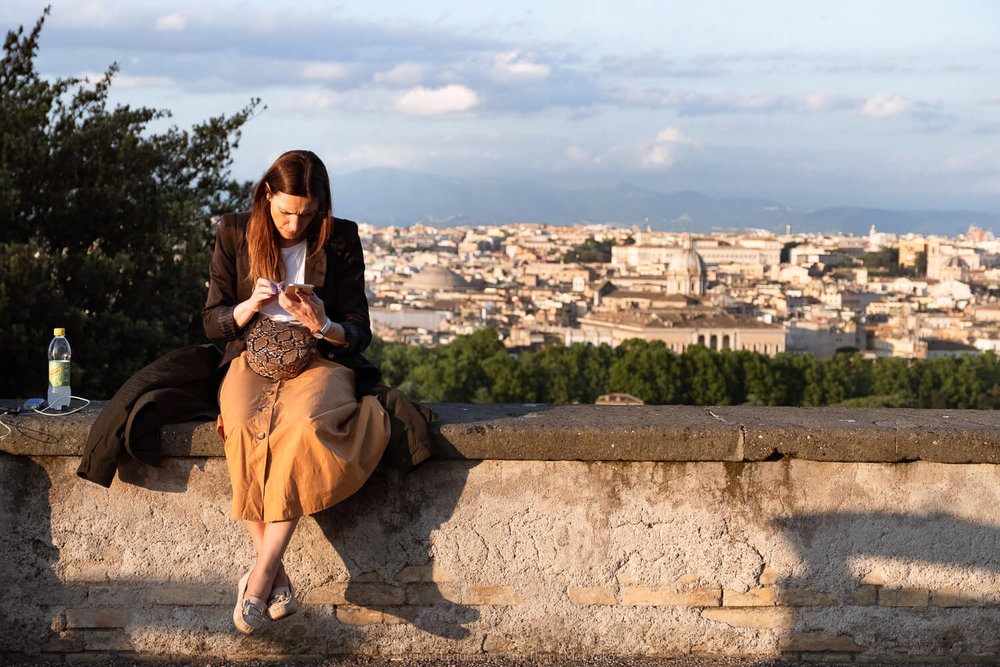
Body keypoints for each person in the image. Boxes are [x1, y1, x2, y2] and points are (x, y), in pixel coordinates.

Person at [202, 149, 390, 634]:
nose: (294, 223)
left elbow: (358, 330)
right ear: (267, 195)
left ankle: (260, 579)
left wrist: (323, 323)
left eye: (306, 214)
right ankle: (278, 578)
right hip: (252, 355)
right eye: (285, 211)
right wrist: (247, 307)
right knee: (241, 424)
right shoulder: (233, 231)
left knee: (302, 426)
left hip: (319, 359)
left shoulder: (340, 237)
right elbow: (212, 320)